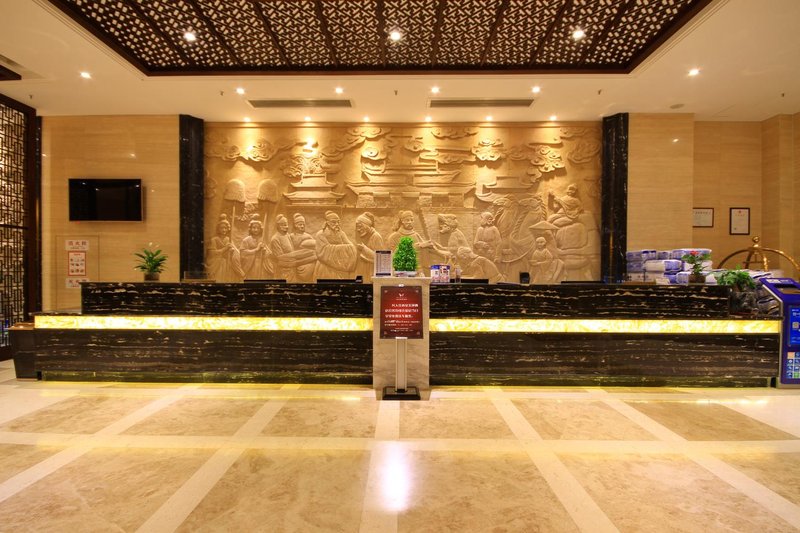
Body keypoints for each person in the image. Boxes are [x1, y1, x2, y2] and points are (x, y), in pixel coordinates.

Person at [314, 211, 357, 279]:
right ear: (327, 222)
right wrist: (343, 248)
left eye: (338, 222)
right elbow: (322, 251)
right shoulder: (320, 234)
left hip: (340, 266)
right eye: (333, 222)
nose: (337, 224)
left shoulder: (341, 233)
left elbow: (350, 246)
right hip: (325, 267)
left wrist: (348, 247)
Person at [206, 214, 245, 282]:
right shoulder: (214, 239)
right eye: (222, 228)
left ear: (228, 229)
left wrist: (233, 251)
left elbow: (237, 253)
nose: (224, 230)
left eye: (225, 228)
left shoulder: (229, 239)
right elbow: (211, 253)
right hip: (218, 265)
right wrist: (224, 249)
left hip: (228, 264)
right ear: (218, 229)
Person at [354, 212, 384, 280]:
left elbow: (380, 258)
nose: (358, 229)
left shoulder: (376, 237)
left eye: (360, 226)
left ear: (367, 225)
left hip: (371, 272)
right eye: (357, 227)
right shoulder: (364, 236)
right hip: (363, 271)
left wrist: (364, 249)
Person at [289, 213, 317, 282]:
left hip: (308, 261)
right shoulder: (291, 236)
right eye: (300, 224)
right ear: (295, 225)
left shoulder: (308, 236)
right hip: (296, 261)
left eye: (303, 224)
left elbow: (315, 247)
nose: (302, 226)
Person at [269, 214, 297, 281]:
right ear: (278, 226)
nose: (286, 227)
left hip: (291, 267)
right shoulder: (275, 239)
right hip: (282, 270)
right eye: (283, 225)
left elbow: (292, 249)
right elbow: (280, 257)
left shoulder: (287, 235)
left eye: (286, 224)